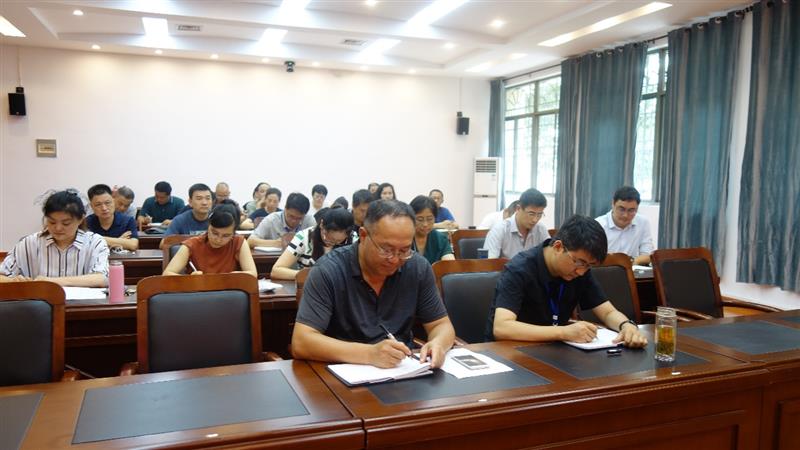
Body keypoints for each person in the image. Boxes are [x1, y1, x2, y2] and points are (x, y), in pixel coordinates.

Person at [291, 199, 455, 368]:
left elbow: (440, 325)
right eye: (386, 249)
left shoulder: (417, 268)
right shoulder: (329, 271)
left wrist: (438, 344)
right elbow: (302, 342)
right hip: (341, 372)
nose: (395, 259)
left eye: (404, 250)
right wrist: (369, 354)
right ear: (363, 236)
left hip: (402, 370)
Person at [485, 215, 647, 348]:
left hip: (554, 350)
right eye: (579, 262)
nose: (581, 271)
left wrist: (626, 325)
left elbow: (607, 312)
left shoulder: (581, 272)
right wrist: (563, 332)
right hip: (511, 352)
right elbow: (502, 327)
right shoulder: (519, 269)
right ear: (558, 247)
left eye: (589, 266)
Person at [1, 190, 109, 287]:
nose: (58, 228)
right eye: (52, 222)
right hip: (40, 303)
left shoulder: (94, 243)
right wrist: (14, 281)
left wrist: (51, 282)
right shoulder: (29, 243)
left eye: (66, 223)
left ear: (81, 219)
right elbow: (2, 275)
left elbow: (102, 279)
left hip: (83, 303)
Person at [164, 202, 257, 277]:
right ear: (208, 225)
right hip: (199, 292)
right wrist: (189, 279)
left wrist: (238, 275)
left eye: (226, 235)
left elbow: (253, 274)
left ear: (233, 233)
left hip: (228, 293)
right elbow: (167, 274)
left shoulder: (239, 242)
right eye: (214, 233)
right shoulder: (192, 244)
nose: (218, 239)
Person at [270, 207, 354, 280]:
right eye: (327, 237)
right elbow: (276, 270)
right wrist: (310, 275)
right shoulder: (303, 238)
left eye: (338, 241)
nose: (331, 243)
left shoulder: (354, 241)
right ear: (321, 224)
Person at [596, 186, 655, 265]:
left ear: (637, 208)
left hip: (632, 269)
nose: (625, 215)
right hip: (605, 269)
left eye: (631, 210)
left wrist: (631, 263)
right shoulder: (598, 224)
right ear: (613, 204)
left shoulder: (643, 223)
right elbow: (594, 257)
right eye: (621, 209)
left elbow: (648, 255)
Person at [485, 188, 549, 259]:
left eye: (539, 214)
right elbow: (489, 263)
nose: (535, 220)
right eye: (531, 214)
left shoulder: (540, 229)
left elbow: (550, 257)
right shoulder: (499, 230)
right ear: (518, 209)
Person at [248, 192, 315, 249]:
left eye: (299, 218)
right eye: (291, 216)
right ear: (285, 209)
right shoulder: (271, 220)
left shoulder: (309, 220)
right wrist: (275, 243)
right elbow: (250, 241)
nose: (294, 221)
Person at [86, 184, 139, 251]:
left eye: (107, 203)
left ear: (113, 201)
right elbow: (85, 246)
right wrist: (120, 240)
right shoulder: (86, 222)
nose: (104, 208)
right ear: (92, 206)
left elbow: (133, 245)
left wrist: (94, 240)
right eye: (98, 204)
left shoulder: (128, 220)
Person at [409, 195, 454, 264]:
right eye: (420, 219)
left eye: (430, 219)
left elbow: (449, 263)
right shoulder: (404, 238)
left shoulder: (440, 238)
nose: (425, 224)